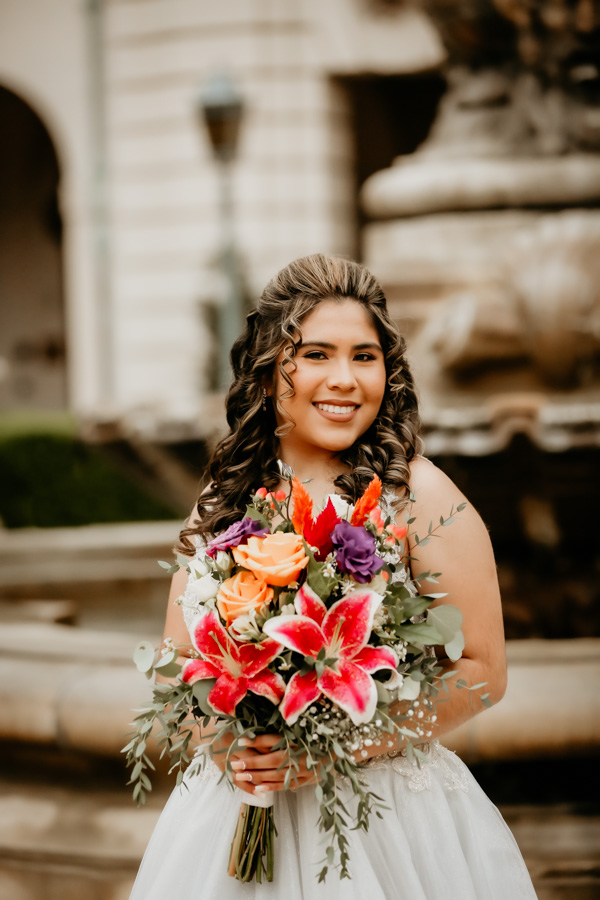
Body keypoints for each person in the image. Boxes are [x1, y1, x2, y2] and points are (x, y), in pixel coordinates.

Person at [129, 254, 538, 899]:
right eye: (316, 354)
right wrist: (226, 744)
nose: (345, 380)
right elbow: (180, 662)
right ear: (267, 373)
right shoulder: (225, 500)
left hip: (384, 824)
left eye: (364, 357)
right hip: (233, 812)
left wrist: (338, 746)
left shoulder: (420, 496)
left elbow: (486, 672)